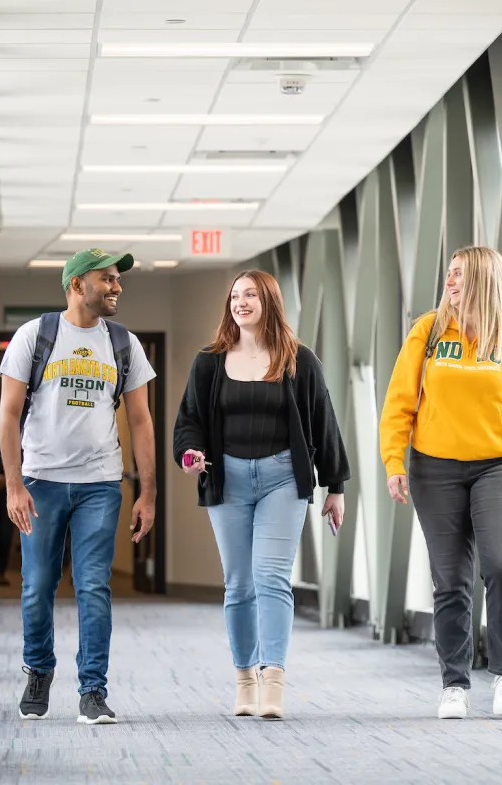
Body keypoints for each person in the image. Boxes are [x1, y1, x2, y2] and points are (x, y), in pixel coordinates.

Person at [378, 245, 502, 720]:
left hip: (498, 466)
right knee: (451, 579)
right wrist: (393, 461)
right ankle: (454, 685)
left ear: (482, 278)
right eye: (449, 274)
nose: (450, 282)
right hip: (433, 469)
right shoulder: (430, 331)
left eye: (459, 274)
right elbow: (399, 402)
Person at [173, 269, 349, 720]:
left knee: (271, 577)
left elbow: (323, 422)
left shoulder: (298, 360)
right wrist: (191, 452)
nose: (241, 302)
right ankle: (244, 679)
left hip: (282, 480)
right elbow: (190, 419)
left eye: (250, 294)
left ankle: (274, 678)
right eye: (235, 295)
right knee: (238, 583)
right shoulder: (209, 362)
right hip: (227, 479)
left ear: (268, 301)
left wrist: (335, 486)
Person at [0, 248, 158, 726]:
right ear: (75, 285)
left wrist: (147, 492)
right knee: (38, 586)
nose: (116, 287)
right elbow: (7, 414)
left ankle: (93, 690)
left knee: (93, 586)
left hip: (99, 484)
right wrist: (13, 484)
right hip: (41, 480)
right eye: (106, 279)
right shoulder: (36, 335)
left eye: (117, 280)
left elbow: (141, 420)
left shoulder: (125, 343)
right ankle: (39, 672)